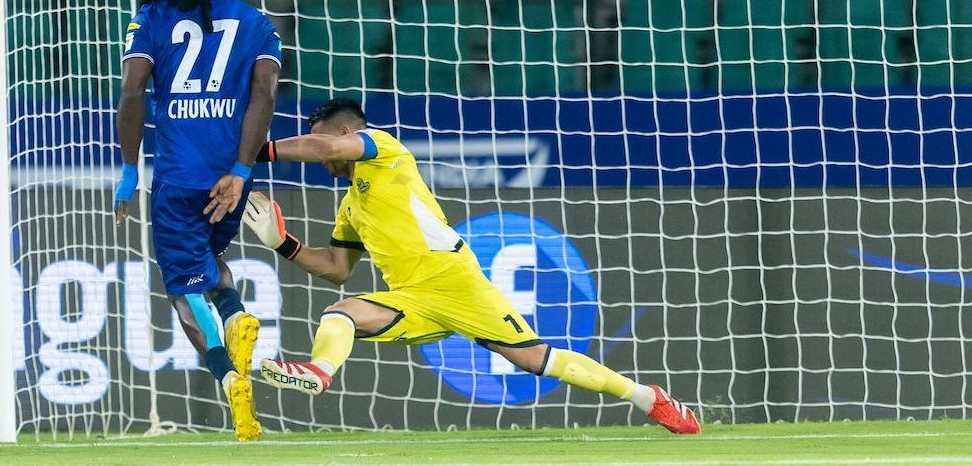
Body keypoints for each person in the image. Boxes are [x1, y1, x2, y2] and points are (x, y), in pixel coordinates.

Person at [237, 98, 700, 434]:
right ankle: (320, 371)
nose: (321, 155)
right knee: (340, 312)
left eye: (322, 137)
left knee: (533, 358)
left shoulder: (384, 148)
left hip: (453, 279)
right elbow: (338, 268)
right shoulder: (350, 207)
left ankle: (648, 397)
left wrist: (257, 151)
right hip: (412, 298)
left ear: (344, 134)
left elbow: (325, 150)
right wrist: (283, 244)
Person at [113, 0, 280, 442]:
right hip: (229, 179)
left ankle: (228, 375)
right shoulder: (256, 22)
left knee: (183, 290)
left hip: (178, 179)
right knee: (209, 262)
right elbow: (264, 98)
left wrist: (129, 170)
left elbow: (133, 92)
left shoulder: (151, 17)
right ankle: (234, 313)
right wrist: (241, 172)